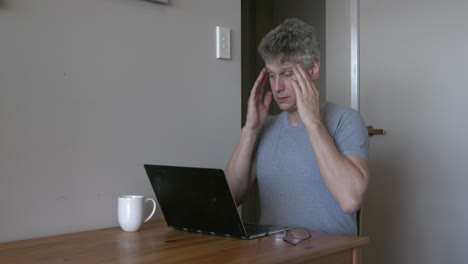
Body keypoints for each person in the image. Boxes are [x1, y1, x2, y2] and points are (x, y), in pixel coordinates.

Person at [225, 18, 369, 235]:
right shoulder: (267, 127)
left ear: (313, 69)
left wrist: (313, 123)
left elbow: (350, 200)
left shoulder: (346, 120)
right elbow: (230, 198)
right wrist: (250, 130)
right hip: (272, 254)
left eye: (287, 74)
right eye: (272, 75)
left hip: (329, 255)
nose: (277, 87)